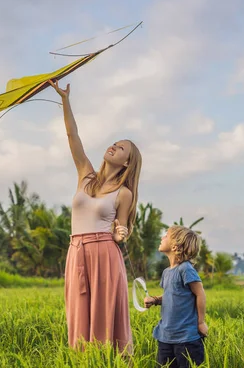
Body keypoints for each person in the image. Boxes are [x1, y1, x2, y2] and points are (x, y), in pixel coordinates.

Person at [48, 79, 142, 354]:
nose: (113, 147)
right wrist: (65, 100)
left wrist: (120, 233)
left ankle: (107, 360)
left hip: (104, 253)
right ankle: (82, 360)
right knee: (78, 313)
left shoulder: (124, 193)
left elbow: (121, 230)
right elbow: (72, 137)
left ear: (127, 162)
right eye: (114, 143)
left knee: (103, 316)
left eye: (120, 148)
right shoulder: (86, 175)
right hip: (76, 250)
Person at [144, 226, 208, 368]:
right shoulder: (167, 272)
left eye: (166, 235)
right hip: (166, 337)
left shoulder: (185, 269)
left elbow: (200, 293)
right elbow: (171, 296)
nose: (162, 238)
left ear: (175, 246)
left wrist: (200, 322)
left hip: (186, 339)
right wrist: (155, 300)